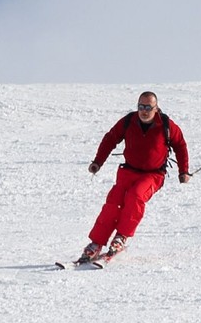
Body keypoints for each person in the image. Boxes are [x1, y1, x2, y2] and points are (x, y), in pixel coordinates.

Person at [76, 91, 189, 265]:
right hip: (128, 172)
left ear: (156, 108)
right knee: (113, 202)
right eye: (141, 107)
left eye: (148, 107)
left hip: (153, 175)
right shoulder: (129, 121)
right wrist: (98, 162)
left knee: (135, 196)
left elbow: (180, 145)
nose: (144, 111)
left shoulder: (166, 125)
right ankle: (96, 243)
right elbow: (110, 138)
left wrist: (184, 171)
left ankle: (121, 238)